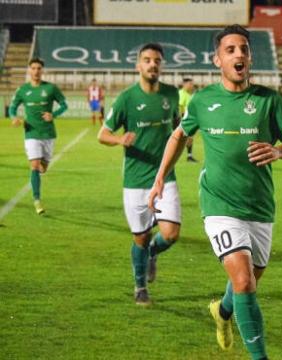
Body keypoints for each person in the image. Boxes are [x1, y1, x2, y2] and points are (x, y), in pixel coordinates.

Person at [148, 25, 282, 360]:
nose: (239, 54)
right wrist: (160, 178)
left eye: (244, 48)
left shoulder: (269, 100)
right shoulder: (203, 101)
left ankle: (223, 312)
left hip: (260, 206)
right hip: (219, 205)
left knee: (247, 284)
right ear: (218, 60)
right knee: (244, 281)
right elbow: (177, 137)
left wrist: (278, 152)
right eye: (230, 50)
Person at [97, 43, 182, 306]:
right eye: (147, 60)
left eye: (157, 60)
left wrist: (183, 138)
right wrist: (120, 139)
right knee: (141, 237)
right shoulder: (126, 99)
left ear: (161, 65)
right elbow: (103, 134)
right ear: (138, 66)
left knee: (170, 233)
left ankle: (152, 254)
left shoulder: (172, 94)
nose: (152, 64)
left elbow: (177, 123)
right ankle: (140, 287)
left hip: (164, 176)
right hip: (135, 180)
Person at [9, 58, 68, 215]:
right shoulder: (22, 90)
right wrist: (14, 117)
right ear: (29, 70)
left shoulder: (50, 88)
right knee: (34, 165)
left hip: (48, 134)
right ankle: (37, 200)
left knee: (42, 168)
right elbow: (13, 107)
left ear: (42, 70)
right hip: (31, 133)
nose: (36, 71)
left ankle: (39, 175)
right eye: (33, 68)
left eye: (39, 68)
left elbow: (64, 105)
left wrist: (53, 114)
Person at [178, 77, 198, 162]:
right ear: (185, 84)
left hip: (187, 120)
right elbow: (180, 107)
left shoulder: (189, 95)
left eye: (192, 84)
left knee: (189, 138)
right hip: (181, 120)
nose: (191, 86)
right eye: (190, 84)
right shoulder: (181, 93)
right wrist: (180, 120)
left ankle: (189, 156)